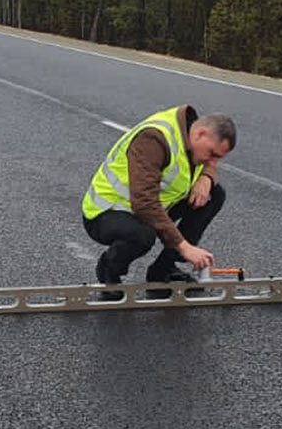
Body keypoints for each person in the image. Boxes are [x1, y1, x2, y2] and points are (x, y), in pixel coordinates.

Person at [82, 106, 236, 296]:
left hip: (149, 207)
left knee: (214, 195)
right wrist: (184, 247)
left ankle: (162, 271)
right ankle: (109, 270)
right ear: (200, 133)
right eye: (212, 154)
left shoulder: (192, 136)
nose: (213, 162)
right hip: (107, 211)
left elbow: (207, 167)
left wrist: (207, 177)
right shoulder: (154, 139)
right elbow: (145, 204)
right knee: (142, 235)